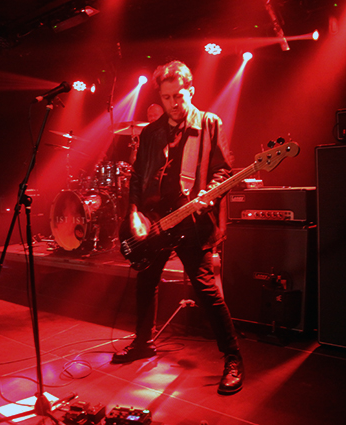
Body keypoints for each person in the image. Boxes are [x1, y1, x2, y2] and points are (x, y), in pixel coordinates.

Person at [112, 60, 244, 395]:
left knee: (207, 291)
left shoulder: (209, 123)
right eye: (167, 97)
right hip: (156, 222)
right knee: (146, 283)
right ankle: (143, 343)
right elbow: (137, 177)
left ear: (191, 91)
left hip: (192, 222)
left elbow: (223, 170)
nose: (173, 103)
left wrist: (208, 194)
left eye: (178, 96)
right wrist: (133, 213)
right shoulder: (151, 132)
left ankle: (233, 358)